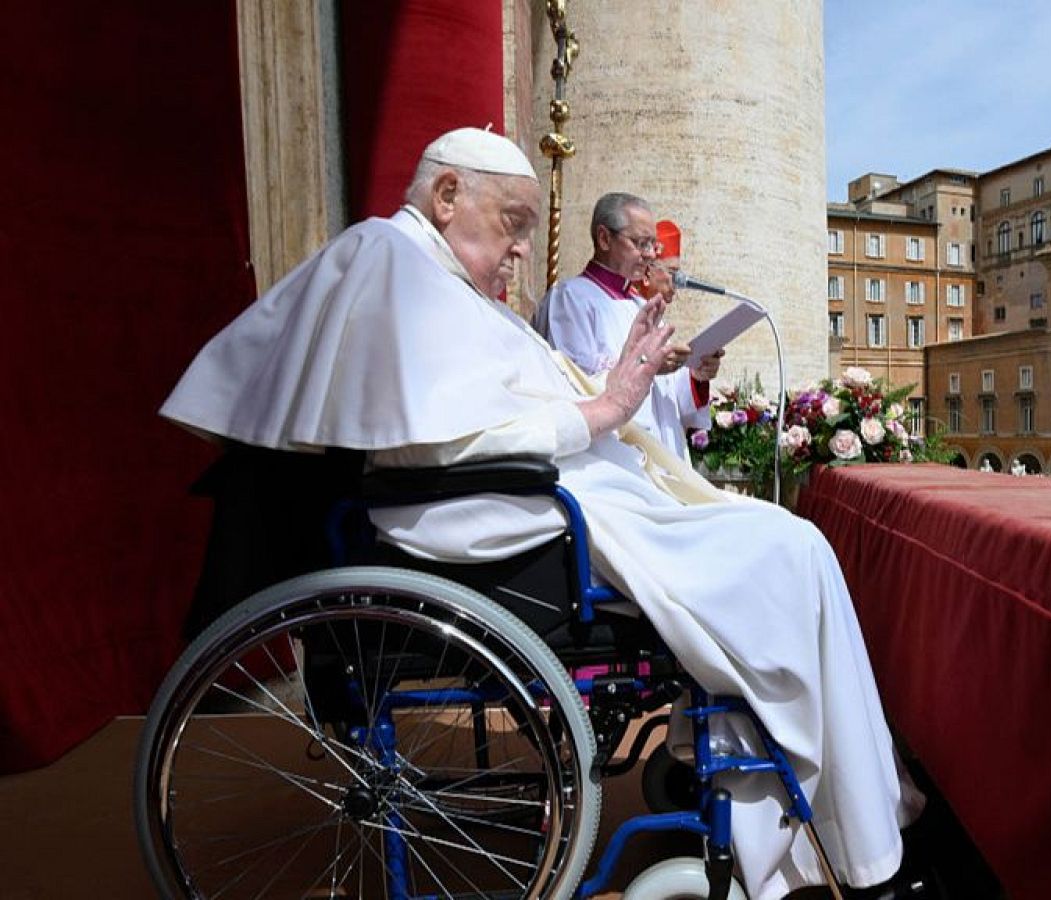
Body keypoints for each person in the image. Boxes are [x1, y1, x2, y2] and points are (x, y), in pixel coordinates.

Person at [160, 127, 923, 900]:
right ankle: (861, 846)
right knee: (792, 552)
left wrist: (614, 389)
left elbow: (487, 407)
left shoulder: (435, 274)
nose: (523, 249)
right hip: (504, 521)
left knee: (791, 548)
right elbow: (434, 440)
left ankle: (837, 813)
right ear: (448, 194)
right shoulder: (388, 261)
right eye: (513, 223)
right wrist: (603, 407)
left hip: (536, 503)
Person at [536, 194, 719, 460]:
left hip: (660, 456)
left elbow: (669, 398)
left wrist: (697, 375)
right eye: (641, 243)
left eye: (652, 245)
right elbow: (575, 386)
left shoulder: (642, 306)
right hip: (611, 459)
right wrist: (647, 365)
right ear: (604, 238)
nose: (650, 255)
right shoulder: (570, 299)